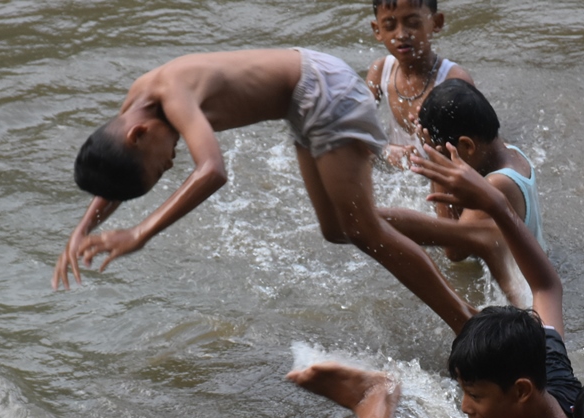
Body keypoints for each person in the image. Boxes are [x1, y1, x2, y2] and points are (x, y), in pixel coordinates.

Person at [50, 48, 476, 333]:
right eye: (163, 171)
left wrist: (139, 233)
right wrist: (83, 227)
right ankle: (471, 237)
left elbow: (212, 170)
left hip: (323, 91)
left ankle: (467, 323)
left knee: (363, 229)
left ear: (139, 134)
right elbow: (115, 169)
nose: (169, 164)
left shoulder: (171, 94)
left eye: (157, 166)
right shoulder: (135, 109)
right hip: (305, 100)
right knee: (338, 228)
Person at [287, 147, 577, 418]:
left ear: (522, 390)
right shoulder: (542, 362)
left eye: (474, 396)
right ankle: (376, 397)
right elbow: (547, 287)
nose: (463, 407)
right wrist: (493, 202)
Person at [379, 80, 545, 309]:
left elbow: (454, 251)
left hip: (523, 294)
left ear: (467, 146)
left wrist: (437, 168)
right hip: (539, 269)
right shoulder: (511, 153)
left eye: (441, 150)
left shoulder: (497, 183)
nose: (437, 155)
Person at [365, 0, 473, 167]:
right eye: (390, 25)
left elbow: (472, 154)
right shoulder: (380, 71)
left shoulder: (453, 81)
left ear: (436, 23)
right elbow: (355, 130)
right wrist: (385, 150)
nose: (401, 34)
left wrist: (435, 151)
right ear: (377, 30)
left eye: (413, 23)